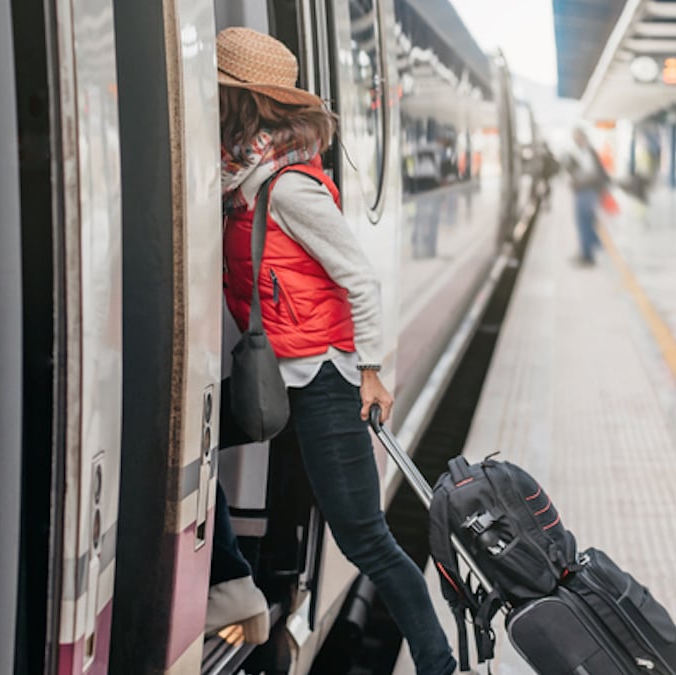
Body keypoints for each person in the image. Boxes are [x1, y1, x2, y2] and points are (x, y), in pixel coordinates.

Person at [212, 27, 457, 675]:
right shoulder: (240, 178)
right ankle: (239, 584)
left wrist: (371, 370)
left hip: (323, 382)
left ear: (243, 105)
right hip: (276, 382)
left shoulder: (289, 188)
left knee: (365, 538)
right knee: (193, 450)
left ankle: (437, 661)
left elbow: (359, 277)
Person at [565, 128, 610, 266]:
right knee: (586, 223)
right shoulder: (585, 152)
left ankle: (587, 257)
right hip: (585, 192)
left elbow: (593, 174)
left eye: (578, 137)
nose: (577, 140)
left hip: (587, 192)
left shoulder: (587, 152)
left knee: (583, 224)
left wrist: (577, 182)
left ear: (583, 137)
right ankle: (590, 250)